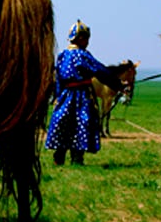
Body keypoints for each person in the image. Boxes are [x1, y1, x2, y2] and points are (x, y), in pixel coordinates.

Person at [45, 19, 113, 165]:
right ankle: (76, 158)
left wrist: (57, 96)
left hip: (64, 95)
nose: (88, 42)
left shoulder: (63, 55)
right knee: (82, 123)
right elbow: (99, 70)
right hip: (81, 96)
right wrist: (117, 83)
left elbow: (58, 78)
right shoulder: (83, 55)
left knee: (64, 125)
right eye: (86, 38)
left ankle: (59, 156)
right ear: (81, 38)